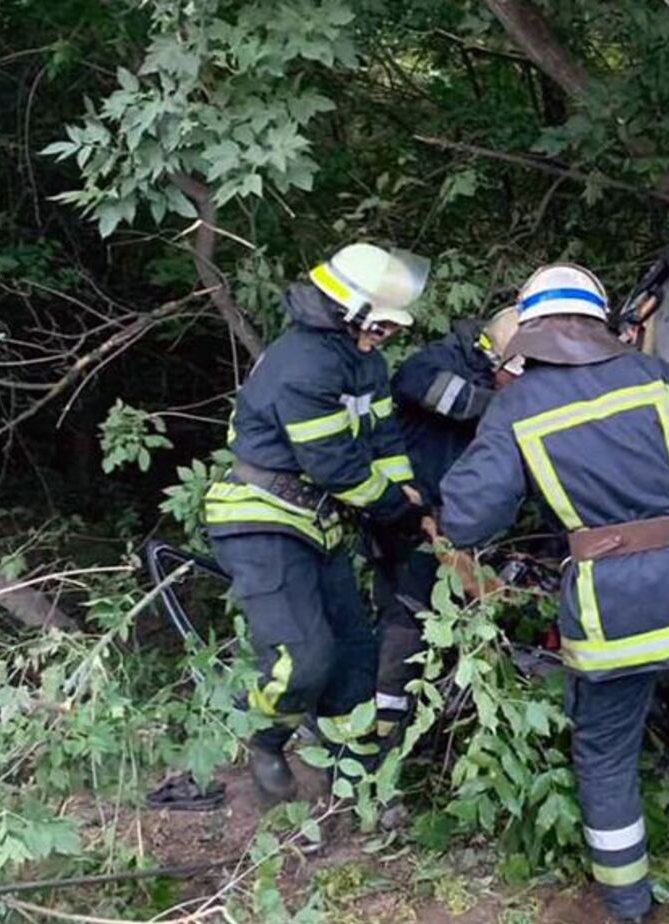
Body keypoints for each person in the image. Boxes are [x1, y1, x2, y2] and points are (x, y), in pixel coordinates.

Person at [438, 263, 669, 923]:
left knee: (605, 748)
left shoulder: (517, 407)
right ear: (600, 322)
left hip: (611, 610)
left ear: (529, 334)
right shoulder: (655, 377)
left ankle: (627, 901)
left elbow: (468, 518)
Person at [202, 243, 431, 802]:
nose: (387, 336)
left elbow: (382, 439)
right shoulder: (302, 365)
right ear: (348, 310)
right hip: (262, 520)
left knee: (355, 661)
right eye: (381, 324)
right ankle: (263, 736)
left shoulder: (365, 361)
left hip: (321, 524)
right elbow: (333, 463)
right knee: (303, 661)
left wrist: (410, 494)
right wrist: (395, 510)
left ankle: (351, 780)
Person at [368, 306, 521, 745]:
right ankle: (385, 733)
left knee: (464, 620)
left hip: (465, 525)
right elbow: (451, 400)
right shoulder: (431, 365)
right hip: (412, 517)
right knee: (409, 615)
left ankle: (438, 733)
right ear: (493, 356)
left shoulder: (497, 375)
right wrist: (525, 403)